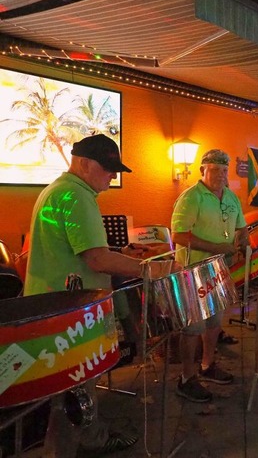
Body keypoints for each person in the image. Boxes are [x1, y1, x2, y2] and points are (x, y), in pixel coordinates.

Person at [24, 134, 178, 457]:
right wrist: (148, 269)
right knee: (70, 397)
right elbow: (96, 260)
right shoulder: (77, 196)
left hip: (55, 308)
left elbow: (81, 252)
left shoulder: (57, 190)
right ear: (83, 163)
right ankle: (78, 445)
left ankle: (92, 436)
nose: (113, 175)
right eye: (108, 168)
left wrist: (121, 253)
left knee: (70, 391)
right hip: (68, 314)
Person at [171, 149, 248, 402]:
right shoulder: (191, 197)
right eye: (215, 170)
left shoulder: (232, 198)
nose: (221, 175)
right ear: (203, 170)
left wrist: (245, 244)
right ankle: (186, 378)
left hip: (218, 271)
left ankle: (208, 365)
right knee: (194, 327)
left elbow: (241, 228)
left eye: (224, 170)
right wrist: (218, 249)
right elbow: (179, 235)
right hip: (192, 271)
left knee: (214, 323)